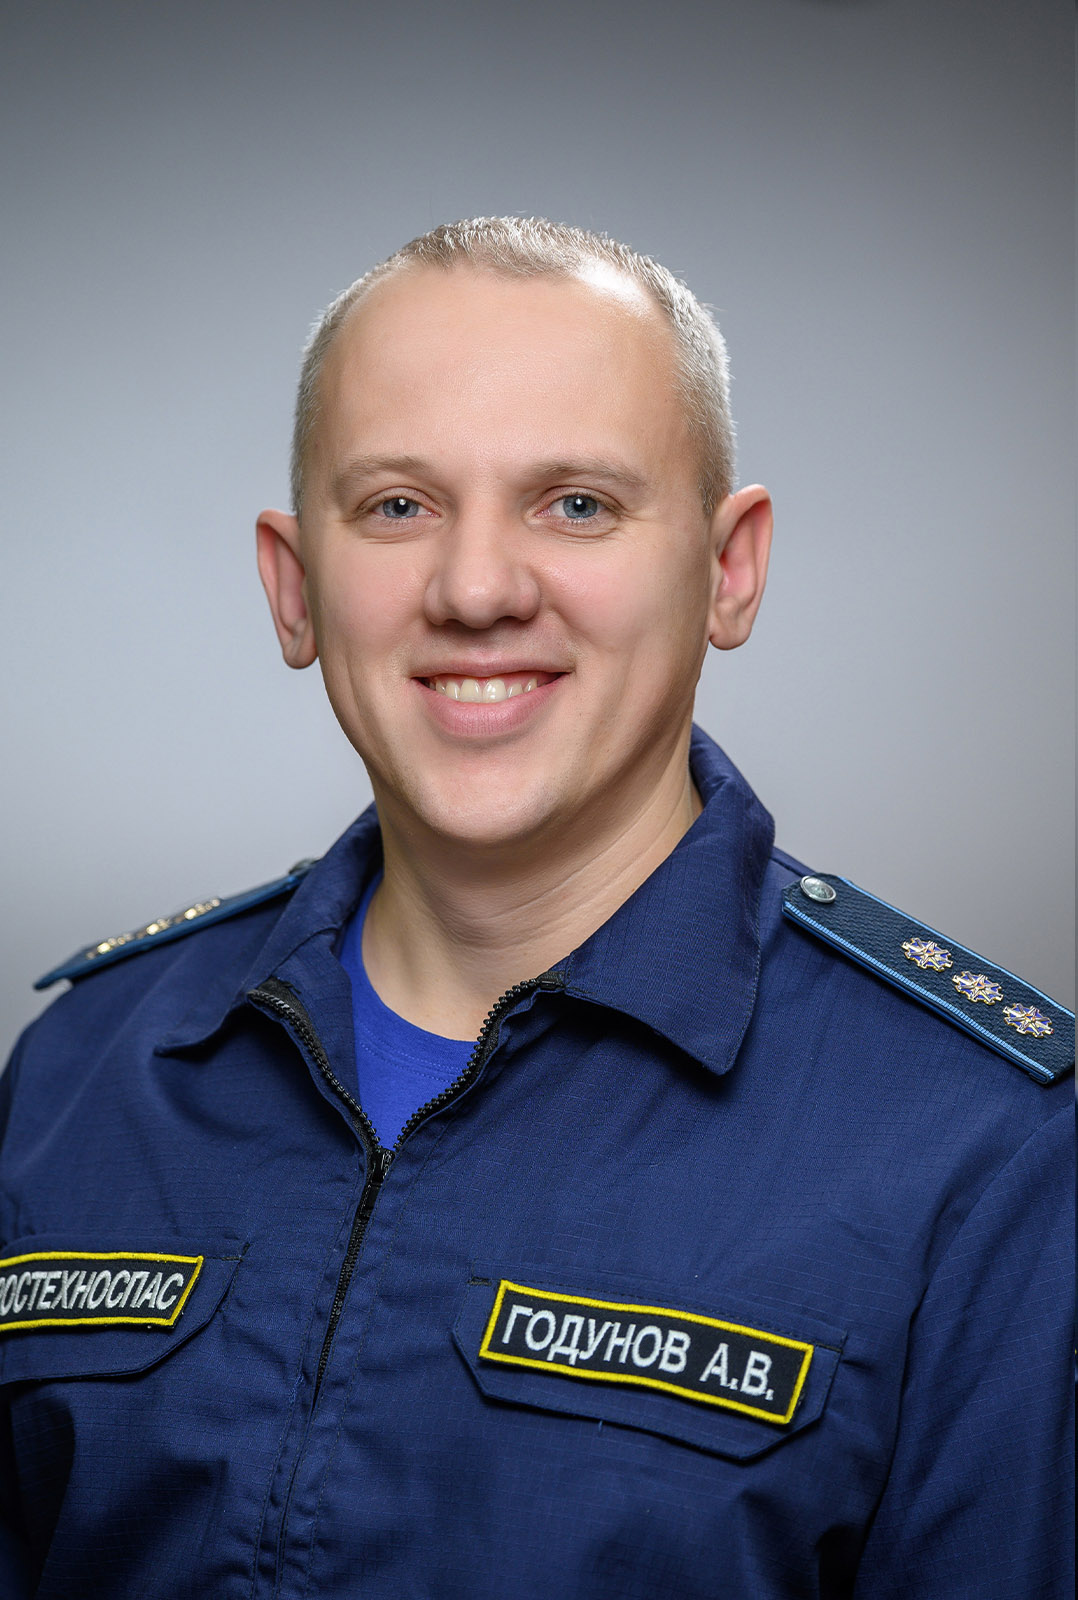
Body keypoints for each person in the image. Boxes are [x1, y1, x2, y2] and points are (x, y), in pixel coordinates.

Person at [0, 217, 1072, 1600]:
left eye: (575, 505)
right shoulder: (81, 1076)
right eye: (399, 506)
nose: (476, 590)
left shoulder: (981, 1150)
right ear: (293, 584)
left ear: (730, 568)